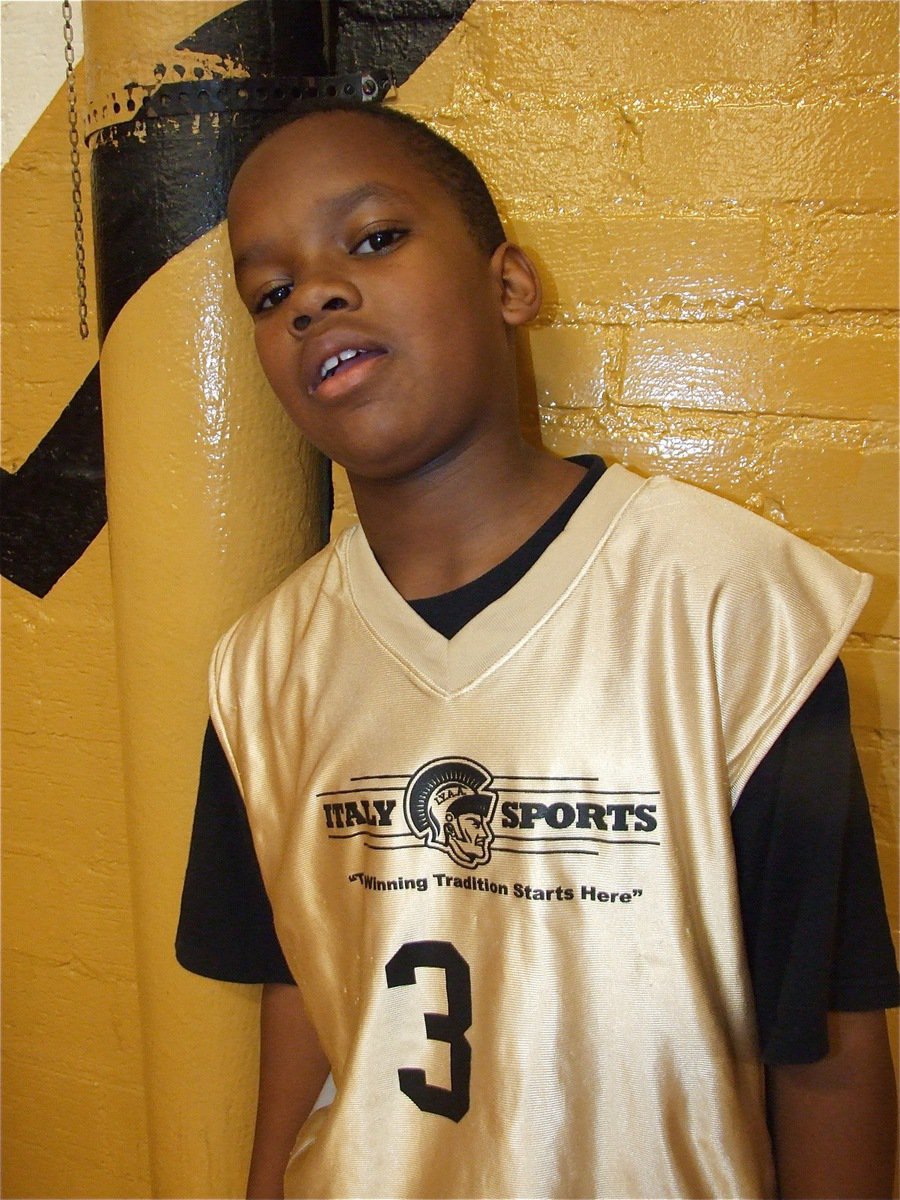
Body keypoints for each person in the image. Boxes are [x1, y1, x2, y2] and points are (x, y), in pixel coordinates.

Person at [177, 100, 899, 1198]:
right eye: (269, 293)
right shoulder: (263, 670)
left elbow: (832, 1054)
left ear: (509, 286)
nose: (314, 295)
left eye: (373, 238)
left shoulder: (730, 609)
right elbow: (304, 991)